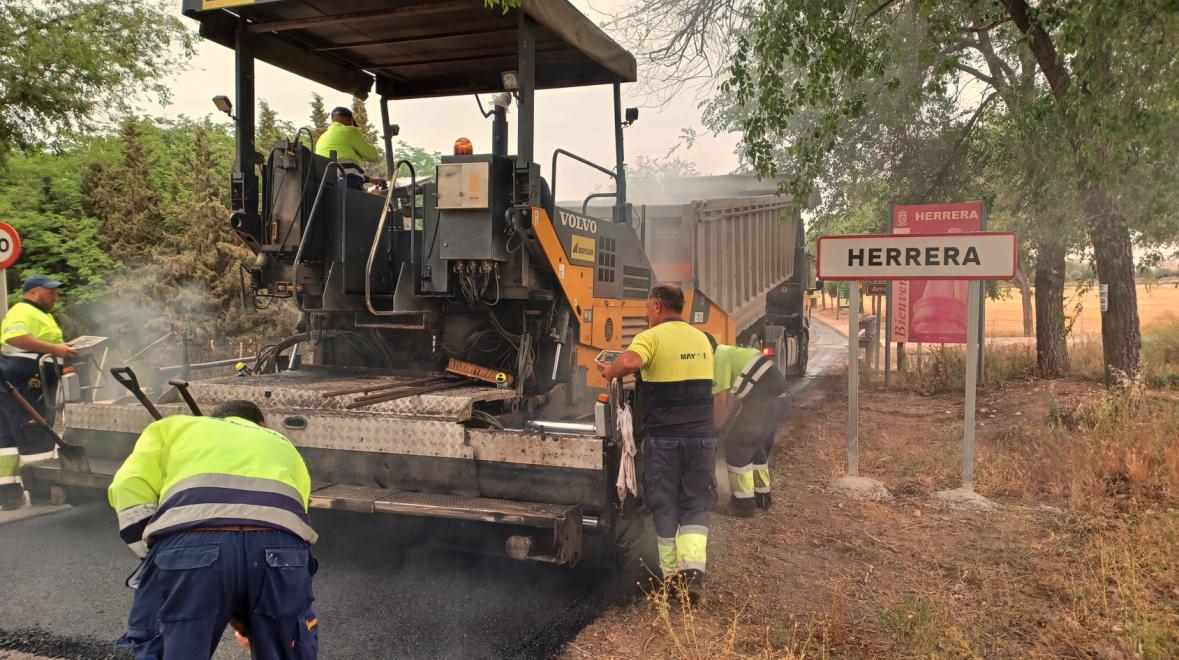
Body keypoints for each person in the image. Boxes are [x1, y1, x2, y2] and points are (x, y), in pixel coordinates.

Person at [109, 400, 319, 659]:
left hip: (189, 544)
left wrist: (154, 554)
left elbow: (129, 486)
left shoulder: (172, 428)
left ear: (213, 419)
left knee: (172, 648)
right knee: (288, 646)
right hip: (282, 550)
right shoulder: (280, 441)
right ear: (262, 425)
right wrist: (257, 614)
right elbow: (298, 513)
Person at [597, 284, 716, 602]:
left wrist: (610, 371)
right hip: (703, 439)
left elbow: (630, 361)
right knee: (695, 503)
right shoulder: (702, 339)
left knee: (665, 504)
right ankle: (694, 574)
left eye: (648, 307)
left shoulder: (651, 337)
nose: (646, 313)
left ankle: (672, 578)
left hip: (666, 440)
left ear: (658, 306)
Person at [0, 275, 78, 510]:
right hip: (26, 384)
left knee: (8, 438)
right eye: (50, 291)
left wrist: (62, 352)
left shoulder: (40, 314)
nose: (55, 296)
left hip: (17, 383)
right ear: (33, 292)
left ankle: (9, 494)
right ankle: (41, 492)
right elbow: (15, 337)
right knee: (34, 431)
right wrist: (55, 349)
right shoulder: (23, 310)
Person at [706, 335, 790, 516]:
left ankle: (742, 505)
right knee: (755, 446)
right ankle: (762, 497)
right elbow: (736, 399)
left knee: (736, 446)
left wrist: (712, 430)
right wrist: (721, 425)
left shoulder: (718, 358)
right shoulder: (732, 353)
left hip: (765, 402)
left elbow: (720, 400)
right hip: (778, 401)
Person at [313, 106, 385, 190]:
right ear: (350, 120)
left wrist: (370, 180)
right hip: (348, 185)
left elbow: (341, 169)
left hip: (324, 187)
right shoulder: (350, 131)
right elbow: (373, 156)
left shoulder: (321, 138)